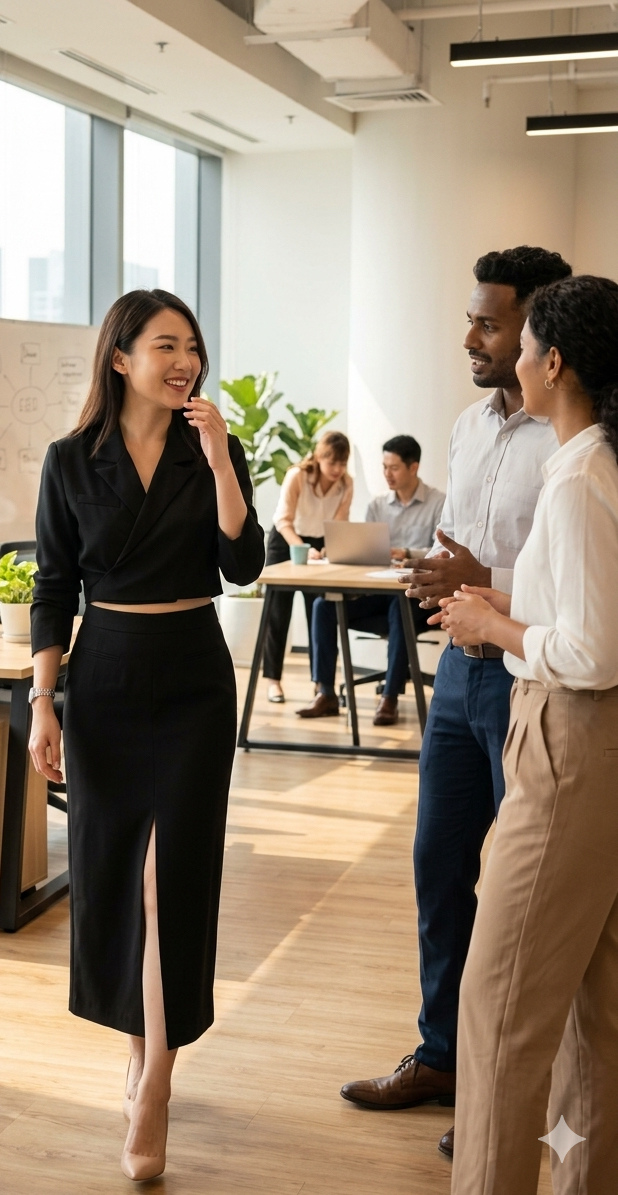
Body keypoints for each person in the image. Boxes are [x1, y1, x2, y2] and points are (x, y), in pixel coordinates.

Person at [338, 246, 572, 1159]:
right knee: (441, 870)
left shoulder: (578, 437)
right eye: (470, 317)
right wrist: (441, 576)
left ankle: (518, 1092)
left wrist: (486, 578)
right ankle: (445, 1057)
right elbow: (468, 547)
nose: (469, 335)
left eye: (488, 321)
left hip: (534, 679)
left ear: (538, 329)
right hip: (459, 676)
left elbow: (576, 578)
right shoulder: (470, 426)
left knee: (528, 903)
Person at [27, 289, 265, 1182]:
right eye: (166, 345)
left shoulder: (213, 448)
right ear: (120, 356)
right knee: (118, 876)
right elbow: (53, 586)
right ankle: (142, 1046)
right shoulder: (69, 460)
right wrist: (42, 702)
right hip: (109, 675)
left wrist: (221, 461)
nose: (185, 362)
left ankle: (155, 1077)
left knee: (175, 883)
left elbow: (242, 561)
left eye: (193, 347)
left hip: (194, 672)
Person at [440, 275, 618, 1194]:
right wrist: (502, 601)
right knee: (596, 1012)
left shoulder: (583, 471)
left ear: (555, 362)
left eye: (522, 345)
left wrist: (494, 631)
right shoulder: (593, 462)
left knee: (499, 1005)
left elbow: (589, 651)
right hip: (596, 748)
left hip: (569, 744)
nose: (507, 357)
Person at [296, 434, 444, 726]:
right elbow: (365, 550)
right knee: (323, 608)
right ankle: (325, 693)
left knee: (398, 607)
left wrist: (407, 553)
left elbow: (442, 552)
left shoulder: (439, 503)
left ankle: (389, 697)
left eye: (394, 468)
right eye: (384, 467)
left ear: (413, 468)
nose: (387, 474)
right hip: (379, 592)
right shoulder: (378, 506)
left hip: (417, 597)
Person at [262, 431, 352, 704]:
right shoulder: (297, 476)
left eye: (342, 463)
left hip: (319, 544)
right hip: (286, 539)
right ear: (320, 457)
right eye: (332, 462)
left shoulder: (346, 485)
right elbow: (283, 519)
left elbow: (339, 524)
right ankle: (273, 681)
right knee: (278, 615)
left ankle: (320, 683)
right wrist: (302, 548)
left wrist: (326, 549)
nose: (337, 469)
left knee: (319, 613)